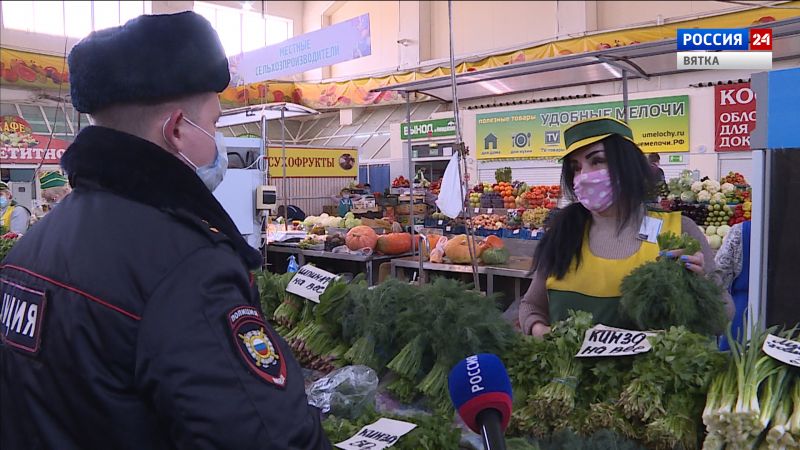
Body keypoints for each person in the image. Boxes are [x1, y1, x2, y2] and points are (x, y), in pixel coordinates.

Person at [0, 12, 330, 450]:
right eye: (213, 124)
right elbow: (265, 436)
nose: (218, 142)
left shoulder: (33, 247)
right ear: (176, 129)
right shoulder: (187, 269)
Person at [519, 117, 732, 336]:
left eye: (597, 161)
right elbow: (531, 306)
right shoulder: (563, 234)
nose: (584, 176)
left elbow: (723, 318)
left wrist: (700, 284)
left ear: (627, 164)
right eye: (576, 167)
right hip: (568, 369)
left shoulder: (678, 230)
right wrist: (538, 329)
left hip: (650, 370)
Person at [714, 220, 751, 350]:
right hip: (785, 310)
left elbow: (719, 269)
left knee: (734, 361)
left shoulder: (741, 231)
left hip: (742, 310)